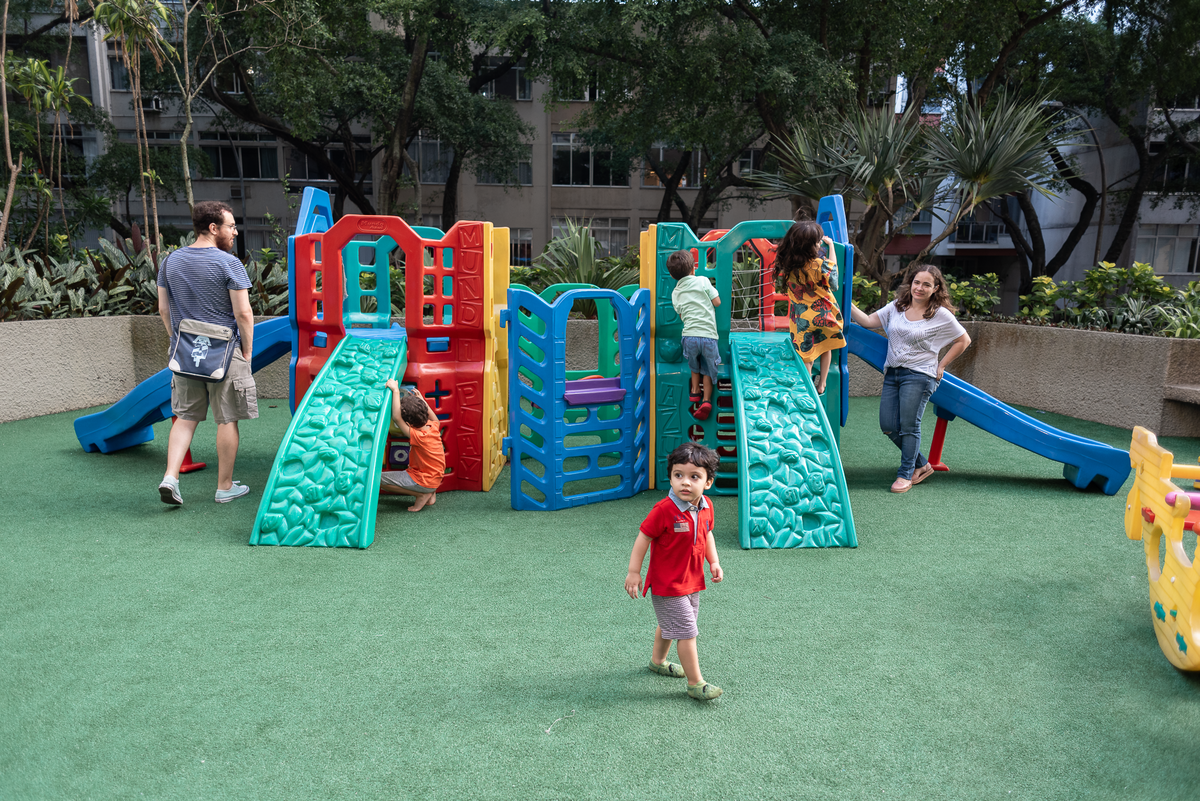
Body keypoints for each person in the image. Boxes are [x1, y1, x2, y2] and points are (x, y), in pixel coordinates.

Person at [157, 201, 256, 506]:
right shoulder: (229, 263)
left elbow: (163, 308)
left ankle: (170, 477)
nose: (235, 232)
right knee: (227, 419)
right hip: (224, 351)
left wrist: (177, 339)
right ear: (213, 228)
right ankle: (224, 487)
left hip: (185, 351)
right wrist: (247, 353)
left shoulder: (170, 262)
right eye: (231, 226)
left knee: (185, 418)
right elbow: (243, 314)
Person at [849, 263, 971, 493]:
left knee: (909, 425)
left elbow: (964, 341)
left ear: (935, 288)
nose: (920, 288)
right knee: (887, 425)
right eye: (917, 282)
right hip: (893, 372)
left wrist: (942, 365)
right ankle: (921, 464)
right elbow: (866, 321)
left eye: (927, 284)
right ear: (910, 283)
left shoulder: (940, 314)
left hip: (920, 375)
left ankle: (905, 474)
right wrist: (844, 303)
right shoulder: (897, 307)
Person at [625, 442, 724, 701]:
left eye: (694, 477)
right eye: (678, 475)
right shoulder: (663, 510)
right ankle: (695, 683)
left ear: (708, 482)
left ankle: (657, 662)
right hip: (668, 585)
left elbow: (708, 534)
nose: (685, 483)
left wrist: (713, 561)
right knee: (687, 632)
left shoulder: (706, 506)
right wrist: (634, 572)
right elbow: (643, 537)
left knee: (672, 624)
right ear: (670, 476)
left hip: (692, 581)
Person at [772, 220, 845, 395]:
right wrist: (832, 247)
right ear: (811, 246)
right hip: (826, 314)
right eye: (818, 242)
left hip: (802, 318)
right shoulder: (820, 264)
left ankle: (808, 383)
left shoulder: (788, 266)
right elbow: (834, 281)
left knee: (807, 354)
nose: (820, 243)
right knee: (826, 346)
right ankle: (822, 384)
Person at [668, 250, 721, 421]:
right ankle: (706, 400)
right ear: (693, 269)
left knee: (694, 366)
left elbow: (682, 315)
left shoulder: (675, 293)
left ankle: (695, 391)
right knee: (707, 368)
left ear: (671, 275)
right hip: (708, 336)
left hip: (689, 336)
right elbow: (717, 302)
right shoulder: (703, 281)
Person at [381, 379, 445, 512]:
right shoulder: (433, 426)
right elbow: (433, 417)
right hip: (435, 478)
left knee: (379, 480)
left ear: (409, 424)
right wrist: (422, 401)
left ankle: (421, 494)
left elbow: (397, 417)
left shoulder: (418, 436)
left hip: (423, 480)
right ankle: (430, 492)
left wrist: (395, 390)